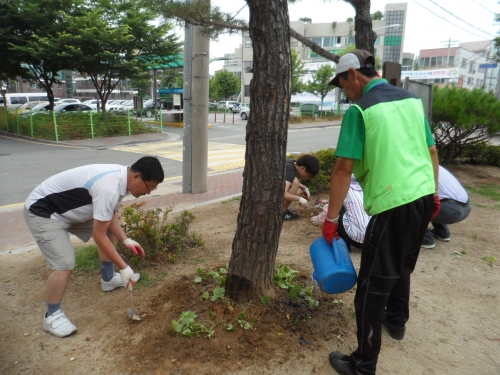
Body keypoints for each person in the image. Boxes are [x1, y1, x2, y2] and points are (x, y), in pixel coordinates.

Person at [321, 50, 440, 375]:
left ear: (354, 75)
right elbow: (431, 151)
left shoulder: (360, 111)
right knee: (401, 267)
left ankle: (362, 365)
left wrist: (331, 221)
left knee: (370, 290)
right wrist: (434, 193)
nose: (344, 92)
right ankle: (397, 321)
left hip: (392, 206)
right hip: (422, 198)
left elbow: (343, 170)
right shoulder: (411, 101)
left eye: (343, 84)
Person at [24, 156, 164, 338]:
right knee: (64, 263)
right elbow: (98, 237)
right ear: (136, 177)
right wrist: (124, 267)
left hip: (69, 210)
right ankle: (52, 315)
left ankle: (108, 279)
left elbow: (109, 213)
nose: (149, 192)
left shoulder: (121, 179)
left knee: (109, 231)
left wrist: (125, 239)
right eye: (150, 187)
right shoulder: (109, 186)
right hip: (45, 212)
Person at [311, 174, 370, 250]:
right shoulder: (366, 189)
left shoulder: (343, 189)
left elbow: (330, 210)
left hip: (354, 239)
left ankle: (344, 242)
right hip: (370, 239)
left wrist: (319, 219)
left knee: (337, 208)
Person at [421, 165, 471, 249]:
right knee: (436, 199)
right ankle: (442, 232)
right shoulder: (433, 164)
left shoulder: (417, 168)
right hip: (466, 207)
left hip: (449, 210)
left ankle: (424, 239)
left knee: (409, 207)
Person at [283, 154, 320, 220]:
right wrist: (299, 198)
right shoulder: (290, 172)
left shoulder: (291, 162)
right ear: (303, 168)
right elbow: (282, 193)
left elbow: (286, 180)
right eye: (309, 174)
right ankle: (281, 212)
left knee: (299, 190)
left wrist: (304, 188)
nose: (308, 177)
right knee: (295, 183)